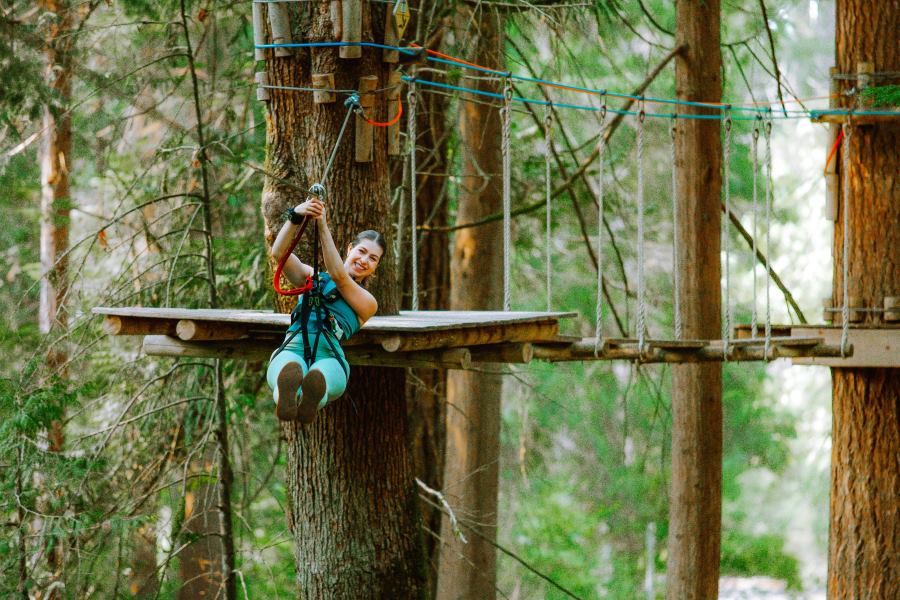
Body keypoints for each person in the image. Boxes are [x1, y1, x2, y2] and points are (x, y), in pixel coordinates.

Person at [266, 197, 385, 423]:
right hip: (294, 345)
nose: (364, 260)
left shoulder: (367, 302)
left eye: (373, 259)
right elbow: (279, 254)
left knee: (322, 377)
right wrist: (296, 216)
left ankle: (311, 394)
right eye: (361, 251)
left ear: (375, 268)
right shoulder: (312, 277)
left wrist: (322, 224)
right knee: (288, 369)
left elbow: (340, 276)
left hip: (329, 353)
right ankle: (286, 397)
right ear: (350, 248)